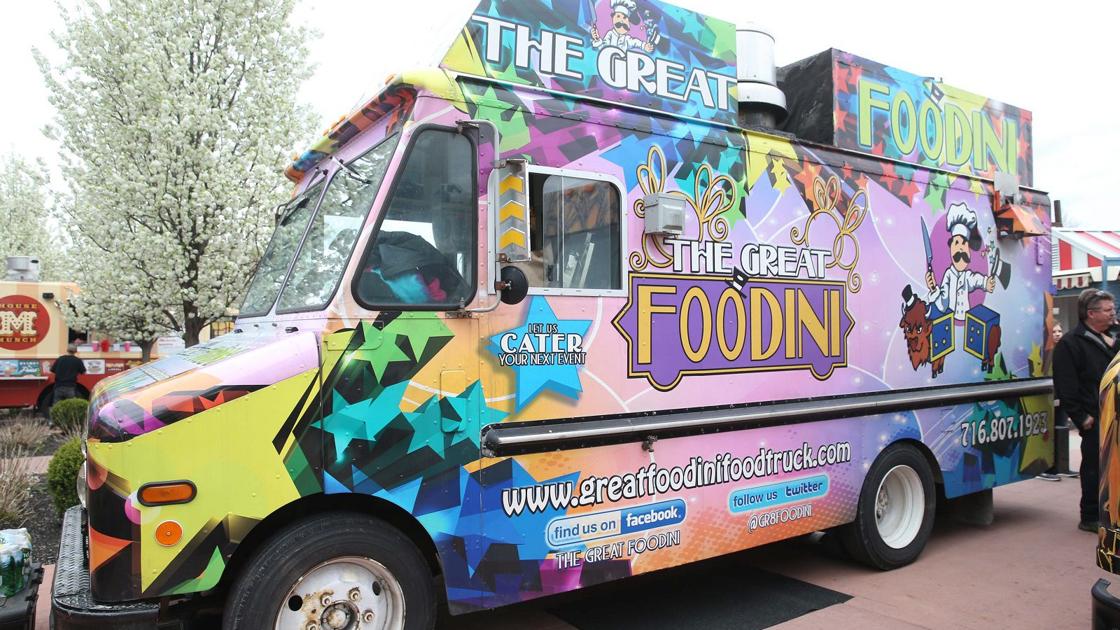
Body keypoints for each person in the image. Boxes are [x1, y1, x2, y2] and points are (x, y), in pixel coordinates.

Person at [1053, 289, 1119, 532]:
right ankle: (1091, 516)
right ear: (1091, 314)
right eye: (1108, 310)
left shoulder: (1111, 339)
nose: (1113, 313)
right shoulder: (1070, 343)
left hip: (1115, 414)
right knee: (1095, 468)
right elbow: (1066, 386)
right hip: (1096, 418)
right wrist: (1082, 418)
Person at [1038, 323, 1070, 481]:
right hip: (1049, 397)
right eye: (1054, 331)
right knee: (1048, 432)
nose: (1057, 334)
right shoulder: (1045, 352)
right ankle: (1046, 468)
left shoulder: (1064, 350)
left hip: (1062, 396)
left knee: (1061, 430)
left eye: (1060, 331)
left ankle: (1060, 466)